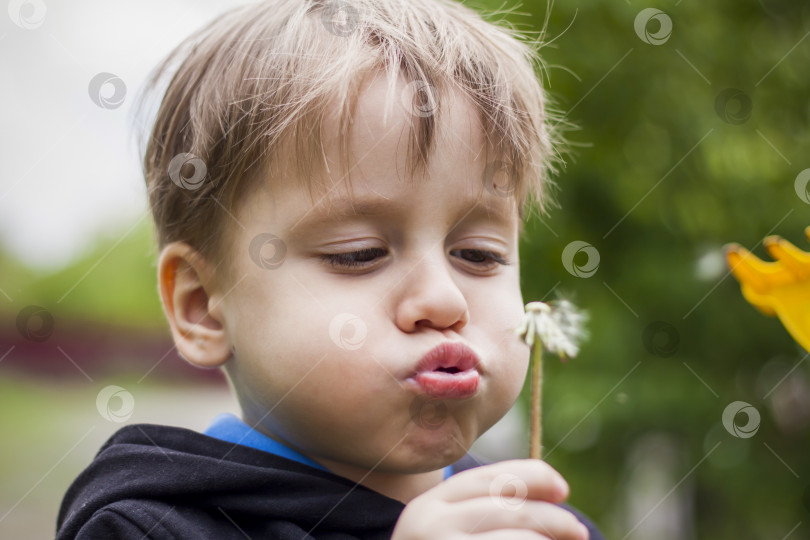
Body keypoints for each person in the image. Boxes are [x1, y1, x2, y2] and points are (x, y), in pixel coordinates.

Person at [57, 0, 604, 538]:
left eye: (478, 254)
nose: (444, 300)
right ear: (203, 308)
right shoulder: (149, 527)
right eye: (358, 252)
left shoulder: (543, 524)